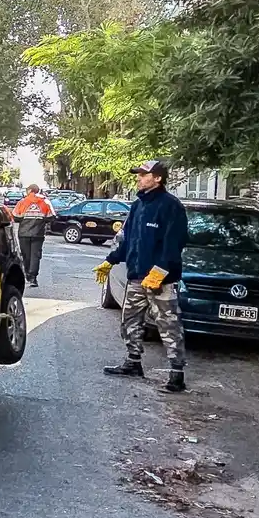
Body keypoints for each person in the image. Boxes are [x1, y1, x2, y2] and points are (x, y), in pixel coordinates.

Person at [94, 160, 189, 393]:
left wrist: (161, 271)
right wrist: (112, 259)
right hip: (137, 277)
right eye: (139, 174)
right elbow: (128, 240)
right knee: (129, 321)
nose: (139, 177)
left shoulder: (171, 206)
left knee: (169, 325)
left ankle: (177, 375)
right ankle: (133, 362)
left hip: (160, 281)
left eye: (144, 174)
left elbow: (174, 243)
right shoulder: (138, 206)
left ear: (158, 178)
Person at [12, 185, 55, 288]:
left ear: (30, 190)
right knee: (35, 256)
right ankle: (33, 278)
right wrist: (41, 220)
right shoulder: (45, 202)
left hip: (23, 234)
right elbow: (52, 216)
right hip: (38, 234)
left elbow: (15, 216)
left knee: (26, 255)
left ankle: (27, 274)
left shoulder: (22, 202)